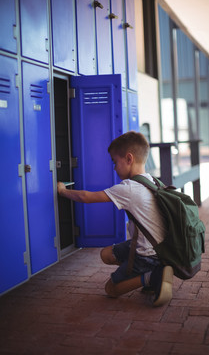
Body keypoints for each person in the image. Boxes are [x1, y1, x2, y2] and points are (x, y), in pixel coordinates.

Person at [57, 131, 173, 307]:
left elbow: (87, 197)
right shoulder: (152, 181)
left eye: (114, 162)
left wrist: (62, 191)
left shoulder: (129, 188)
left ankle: (152, 276)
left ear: (129, 158)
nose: (114, 167)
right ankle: (151, 273)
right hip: (159, 249)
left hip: (146, 254)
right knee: (106, 254)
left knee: (111, 289)